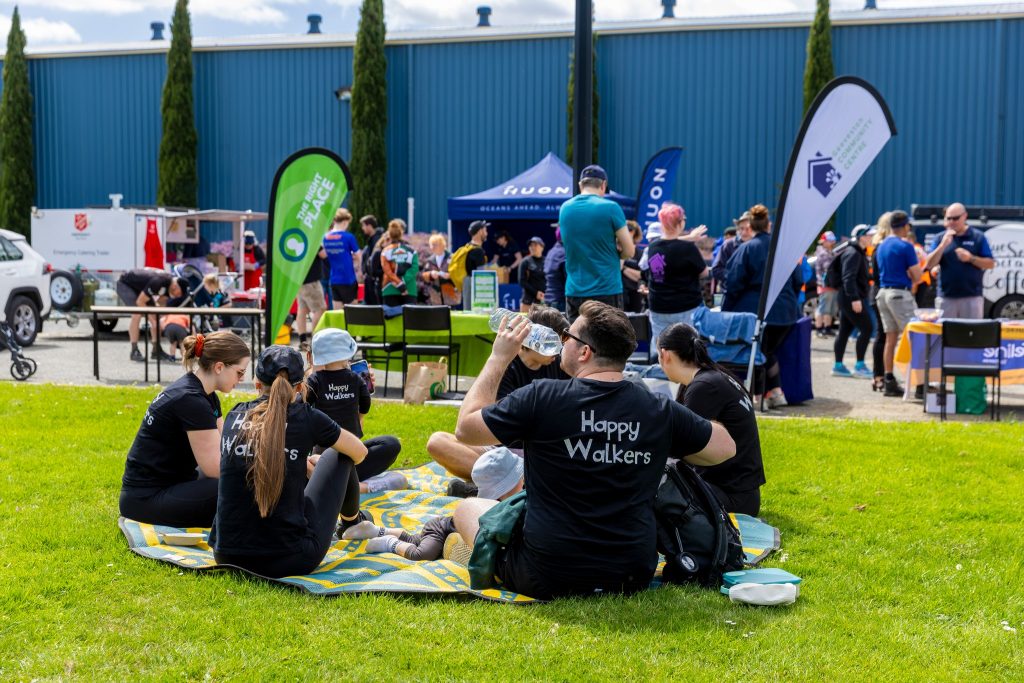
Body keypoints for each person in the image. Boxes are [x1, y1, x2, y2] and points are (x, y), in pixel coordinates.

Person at [450, 301, 735, 600]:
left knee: (467, 508)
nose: (561, 344)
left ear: (584, 352)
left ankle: (466, 551)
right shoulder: (657, 409)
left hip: (544, 573)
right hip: (629, 574)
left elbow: (465, 429)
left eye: (568, 338)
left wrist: (498, 358)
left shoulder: (543, 397)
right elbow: (724, 448)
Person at [210, 345, 377, 578]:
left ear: (257, 384)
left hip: (228, 555)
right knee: (335, 454)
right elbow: (359, 452)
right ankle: (352, 522)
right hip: (290, 558)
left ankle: (352, 522)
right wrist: (315, 465)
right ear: (300, 387)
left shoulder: (235, 414)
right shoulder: (306, 416)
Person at [119, 331, 251, 527]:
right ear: (219, 367)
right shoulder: (191, 400)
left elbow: (227, 444)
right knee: (238, 486)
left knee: (238, 482)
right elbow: (215, 467)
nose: (241, 379)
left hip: (168, 485)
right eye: (240, 372)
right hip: (145, 498)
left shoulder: (204, 394)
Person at [426, 307, 570, 482]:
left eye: (561, 345)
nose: (558, 350)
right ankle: (516, 482)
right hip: (504, 450)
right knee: (437, 442)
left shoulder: (559, 364)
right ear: (534, 338)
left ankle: (503, 483)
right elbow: (491, 421)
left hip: (542, 451)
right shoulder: (505, 365)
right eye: (553, 343)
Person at [657, 323, 765, 516]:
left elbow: (677, 444)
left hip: (732, 497)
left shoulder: (704, 387)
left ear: (665, 355)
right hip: (738, 492)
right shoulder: (711, 377)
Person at [363, 447, 524, 560]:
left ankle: (379, 530)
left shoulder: (514, 497)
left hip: (443, 527)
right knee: (421, 554)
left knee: (415, 539)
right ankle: (390, 543)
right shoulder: (494, 504)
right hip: (441, 529)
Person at [723, 204, 802, 407]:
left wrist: (726, 310)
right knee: (766, 352)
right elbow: (798, 280)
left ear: (751, 225)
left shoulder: (747, 248)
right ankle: (773, 393)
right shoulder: (783, 249)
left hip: (757, 311)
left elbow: (732, 282)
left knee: (759, 353)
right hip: (785, 311)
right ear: (769, 225)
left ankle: (761, 396)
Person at [305, 328, 403, 492]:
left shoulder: (344, 379)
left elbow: (362, 406)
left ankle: (335, 482)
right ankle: (358, 487)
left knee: (390, 444)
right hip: (319, 457)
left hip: (339, 453)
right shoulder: (312, 382)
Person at [558, 164, 635, 321]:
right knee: (610, 344)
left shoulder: (565, 208)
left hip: (575, 291)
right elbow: (630, 250)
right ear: (603, 185)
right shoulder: (611, 208)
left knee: (577, 342)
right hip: (606, 290)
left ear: (580, 185)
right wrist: (618, 254)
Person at [643, 202, 709, 349]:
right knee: (688, 348)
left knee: (663, 348)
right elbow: (704, 272)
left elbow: (669, 243)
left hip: (658, 307)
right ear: (680, 223)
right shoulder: (688, 249)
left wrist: (689, 237)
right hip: (686, 306)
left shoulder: (652, 247)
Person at [873, 210, 923, 396]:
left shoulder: (882, 245)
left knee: (890, 338)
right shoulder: (906, 246)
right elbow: (917, 276)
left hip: (883, 294)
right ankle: (919, 384)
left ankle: (889, 380)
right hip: (899, 294)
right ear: (905, 226)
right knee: (916, 338)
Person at [922, 202, 995, 319]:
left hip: (971, 296)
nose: (952, 222)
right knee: (945, 335)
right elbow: (929, 264)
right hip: (946, 297)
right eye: (948, 218)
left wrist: (971, 258)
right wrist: (942, 246)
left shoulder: (977, 237)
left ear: (965, 216)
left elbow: (990, 264)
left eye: (955, 218)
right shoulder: (940, 238)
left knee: (971, 334)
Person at [115, 268, 188, 362]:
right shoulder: (159, 281)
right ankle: (134, 350)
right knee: (137, 313)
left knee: (156, 317)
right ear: (175, 287)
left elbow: (161, 304)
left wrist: (165, 320)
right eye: (179, 294)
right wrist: (152, 320)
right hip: (126, 284)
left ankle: (156, 350)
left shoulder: (170, 286)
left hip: (141, 289)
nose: (178, 296)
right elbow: (140, 301)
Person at [831, 225, 875, 379]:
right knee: (867, 328)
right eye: (870, 235)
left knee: (844, 331)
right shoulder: (853, 253)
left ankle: (838, 365)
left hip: (848, 297)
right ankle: (860, 365)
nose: (872, 237)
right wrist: (855, 299)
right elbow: (848, 278)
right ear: (861, 237)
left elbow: (858, 276)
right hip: (851, 298)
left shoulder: (858, 252)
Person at [323, 208, 362, 309]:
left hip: (334, 279)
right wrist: (359, 269)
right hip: (348, 278)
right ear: (345, 222)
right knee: (353, 312)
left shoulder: (326, 237)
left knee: (338, 312)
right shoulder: (348, 237)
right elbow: (359, 255)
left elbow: (325, 254)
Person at [295, 243, 329, 351]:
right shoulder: (313, 239)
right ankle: (315, 340)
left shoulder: (301, 238)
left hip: (299, 280)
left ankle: (302, 341)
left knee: (302, 309)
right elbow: (324, 255)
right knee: (321, 309)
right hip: (311, 281)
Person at [380, 218, 419, 308]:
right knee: (409, 320)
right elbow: (414, 269)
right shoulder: (412, 251)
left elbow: (387, 271)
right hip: (410, 289)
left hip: (389, 288)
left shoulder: (385, 251)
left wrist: (399, 283)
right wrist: (403, 282)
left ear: (389, 235)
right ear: (401, 234)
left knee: (391, 320)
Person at [421, 233, 459, 306]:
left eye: (434, 244)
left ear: (442, 245)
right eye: (431, 245)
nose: (432, 247)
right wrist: (431, 274)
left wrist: (450, 275)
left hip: (450, 296)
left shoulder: (452, 258)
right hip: (435, 297)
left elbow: (458, 274)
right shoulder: (430, 260)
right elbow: (423, 276)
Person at [813, 231, 838, 338]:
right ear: (824, 242)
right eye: (829, 241)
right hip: (824, 285)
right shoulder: (823, 253)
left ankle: (827, 328)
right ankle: (819, 328)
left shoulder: (831, 252)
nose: (832, 243)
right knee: (822, 307)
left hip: (831, 285)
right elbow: (824, 269)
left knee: (830, 307)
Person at [460, 220, 490, 308]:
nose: (486, 233)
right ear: (480, 231)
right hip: (475, 285)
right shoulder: (478, 251)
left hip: (466, 283)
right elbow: (482, 274)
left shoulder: (468, 246)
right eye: (485, 230)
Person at [359, 216, 385, 305]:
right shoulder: (372, 239)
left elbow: (376, 259)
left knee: (374, 304)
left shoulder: (377, 240)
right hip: (371, 277)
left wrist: (373, 272)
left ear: (369, 226)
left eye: (363, 226)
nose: (362, 228)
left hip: (375, 278)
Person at [621, 221, 646, 314]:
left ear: (635, 233)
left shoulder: (640, 253)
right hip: (620, 293)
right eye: (625, 229)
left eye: (630, 229)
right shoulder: (617, 250)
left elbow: (640, 275)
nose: (628, 232)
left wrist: (624, 269)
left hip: (634, 293)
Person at [517, 236, 546, 312]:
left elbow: (550, 279)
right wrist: (536, 293)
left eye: (535, 245)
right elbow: (521, 281)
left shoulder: (547, 261)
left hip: (543, 302)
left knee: (543, 324)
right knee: (526, 323)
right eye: (531, 245)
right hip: (528, 302)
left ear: (542, 247)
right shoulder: (525, 261)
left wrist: (545, 294)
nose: (532, 247)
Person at [543, 225, 567, 313]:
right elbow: (568, 279)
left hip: (549, 300)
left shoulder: (551, 251)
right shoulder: (563, 253)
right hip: (559, 301)